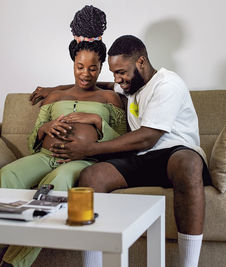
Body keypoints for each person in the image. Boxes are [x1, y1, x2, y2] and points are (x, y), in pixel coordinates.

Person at [44, 35, 211, 267]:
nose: (117, 79)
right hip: (141, 158)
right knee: (92, 176)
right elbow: (100, 85)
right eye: (114, 73)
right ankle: (92, 264)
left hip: (174, 153)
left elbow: (147, 138)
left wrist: (90, 149)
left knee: (188, 163)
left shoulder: (167, 84)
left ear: (141, 62)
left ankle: (189, 265)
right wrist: (55, 90)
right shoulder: (130, 85)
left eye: (121, 72)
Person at [0, 6, 126, 267]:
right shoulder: (54, 97)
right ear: (73, 65)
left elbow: (122, 140)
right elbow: (35, 134)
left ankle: (12, 263)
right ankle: (5, 240)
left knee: (58, 182)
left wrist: (97, 120)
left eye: (93, 68)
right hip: (45, 156)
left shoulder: (110, 98)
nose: (86, 74)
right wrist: (45, 129)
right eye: (80, 67)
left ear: (101, 68)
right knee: (7, 174)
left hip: (83, 161)